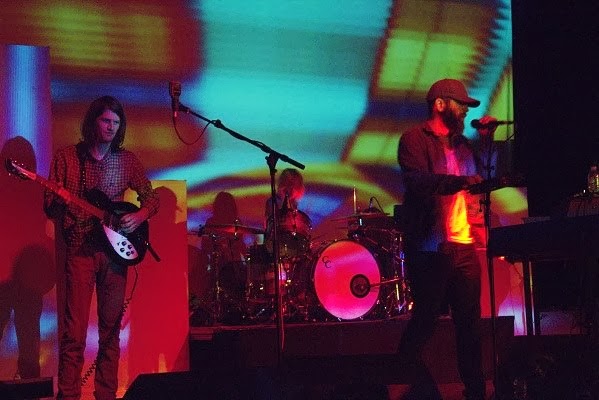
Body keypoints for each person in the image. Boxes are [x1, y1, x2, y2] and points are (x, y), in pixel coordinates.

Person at [44, 95, 159, 400]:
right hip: (79, 250)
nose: (111, 127)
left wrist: (139, 216)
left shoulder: (127, 160)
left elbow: (152, 199)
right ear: (93, 122)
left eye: (116, 123)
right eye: (106, 120)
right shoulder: (67, 158)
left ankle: (106, 394)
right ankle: (68, 395)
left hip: (114, 254)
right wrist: (61, 200)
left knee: (110, 332)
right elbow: (50, 208)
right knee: (74, 332)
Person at [396, 78, 497, 400]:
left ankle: (476, 391)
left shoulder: (464, 145)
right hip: (432, 246)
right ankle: (399, 383)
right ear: (440, 105)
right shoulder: (413, 139)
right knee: (425, 320)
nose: (466, 111)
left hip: (464, 245)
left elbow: (485, 179)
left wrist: (487, 143)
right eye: (461, 104)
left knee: (469, 325)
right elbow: (418, 182)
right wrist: (459, 182)